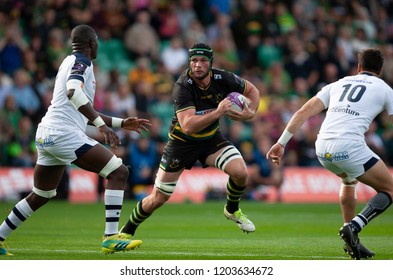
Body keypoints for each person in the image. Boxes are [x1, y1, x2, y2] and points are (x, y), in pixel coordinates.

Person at [0, 24, 151, 256]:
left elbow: (81, 106)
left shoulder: (67, 62)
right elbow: (73, 91)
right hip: (63, 133)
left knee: (41, 194)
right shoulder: (83, 61)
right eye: (97, 42)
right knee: (118, 172)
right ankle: (110, 237)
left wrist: (121, 123)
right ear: (92, 43)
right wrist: (101, 127)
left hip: (46, 132)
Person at [119, 42, 260, 238]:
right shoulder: (182, 86)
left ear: (210, 63)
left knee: (241, 172)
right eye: (194, 60)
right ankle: (126, 232)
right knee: (158, 198)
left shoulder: (223, 77)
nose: (198, 65)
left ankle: (232, 209)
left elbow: (253, 91)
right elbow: (188, 126)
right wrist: (219, 112)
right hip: (181, 143)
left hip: (210, 139)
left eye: (203, 60)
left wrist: (250, 112)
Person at [266, 47, 393, 260]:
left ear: (359, 67)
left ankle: (352, 241)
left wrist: (281, 143)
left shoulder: (337, 84)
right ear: (380, 70)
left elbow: (302, 111)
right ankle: (354, 225)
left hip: (322, 148)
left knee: (348, 181)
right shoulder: (385, 88)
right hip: (349, 147)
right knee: (389, 189)